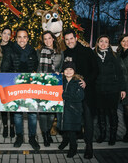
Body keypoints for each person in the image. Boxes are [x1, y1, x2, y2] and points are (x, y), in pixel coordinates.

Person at [61, 29, 98, 159]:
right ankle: (73, 146)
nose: (69, 41)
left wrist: (86, 81)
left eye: (71, 38)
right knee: (71, 119)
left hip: (86, 92)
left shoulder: (87, 51)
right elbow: (62, 72)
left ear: (76, 38)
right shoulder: (65, 53)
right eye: (67, 39)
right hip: (71, 93)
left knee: (88, 120)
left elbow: (95, 69)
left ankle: (89, 146)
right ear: (64, 41)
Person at [6, 28, 39, 150]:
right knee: (18, 114)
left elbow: (36, 67)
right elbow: (6, 68)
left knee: (32, 115)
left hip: (30, 86)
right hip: (16, 87)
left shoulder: (32, 51)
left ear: (28, 39)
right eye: (19, 37)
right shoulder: (10, 51)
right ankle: (19, 136)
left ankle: (32, 138)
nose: (22, 39)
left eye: (24, 37)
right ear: (15, 39)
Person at [94, 35, 126, 145]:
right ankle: (102, 135)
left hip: (112, 90)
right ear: (97, 43)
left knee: (113, 113)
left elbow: (120, 73)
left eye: (106, 42)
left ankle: (113, 136)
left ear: (109, 44)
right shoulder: (93, 56)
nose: (103, 44)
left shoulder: (114, 56)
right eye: (101, 41)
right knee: (101, 114)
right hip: (99, 90)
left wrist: (123, 89)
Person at [37, 31, 64, 147]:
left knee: (51, 111)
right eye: (45, 39)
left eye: (49, 38)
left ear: (53, 39)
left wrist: (60, 73)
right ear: (43, 40)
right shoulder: (38, 52)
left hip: (54, 86)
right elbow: (36, 67)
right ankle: (46, 135)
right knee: (43, 112)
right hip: (41, 84)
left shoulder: (60, 53)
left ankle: (47, 131)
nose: (47, 41)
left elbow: (62, 67)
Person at [58, 61, 84, 158]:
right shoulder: (62, 81)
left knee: (72, 131)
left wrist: (64, 95)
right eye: (66, 69)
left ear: (74, 71)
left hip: (73, 111)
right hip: (64, 109)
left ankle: (73, 147)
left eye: (71, 69)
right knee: (64, 127)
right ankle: (65, 141)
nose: (68, 71)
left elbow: (79, 97)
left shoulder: (78, 82)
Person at [0, 27, 15, 138]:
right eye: (4, 33)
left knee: (12, 104)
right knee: (3, 104)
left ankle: (12, 126)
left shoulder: (13, 46)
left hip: (10, 77)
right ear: (1, 34)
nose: (6, 36)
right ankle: (5, 126)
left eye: (8, 34)